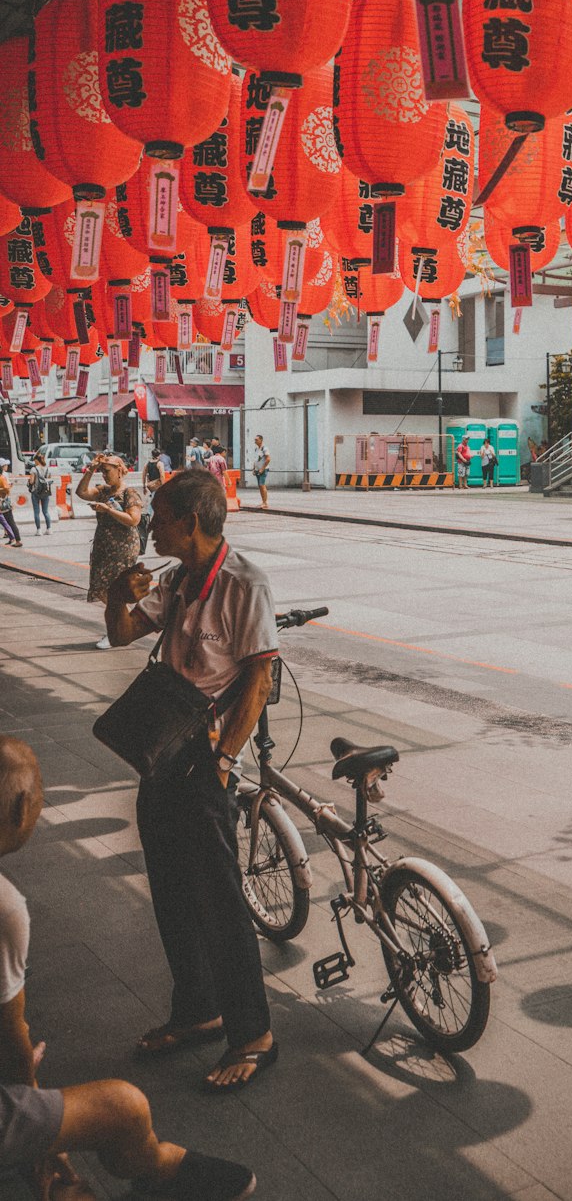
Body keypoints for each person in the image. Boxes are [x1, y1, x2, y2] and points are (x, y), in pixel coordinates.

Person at [0, 736, 256, 1201]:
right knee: (125, 1107)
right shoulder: (4, 906)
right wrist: (33, 1108)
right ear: (21, 811)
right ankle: (135, 1174)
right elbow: (11, 1033)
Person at [105, 469, 278, 1094]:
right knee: (172, 890)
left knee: (221, 901)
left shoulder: (243, 584)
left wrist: (226, 759)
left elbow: (259, 676)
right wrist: (116, 593)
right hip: (163, 758)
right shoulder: (178, 580)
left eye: (159, 513)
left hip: (205, 761)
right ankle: (198, 1010)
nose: (151, 523)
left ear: (192, 521)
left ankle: (254, 1032)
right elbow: (122, 633)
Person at [76, 454, 142, 650]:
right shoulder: (103, 491)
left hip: (123, 547)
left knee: (113, 589)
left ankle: (115, 632)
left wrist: (108, 510)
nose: (104, 475)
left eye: (107, 471)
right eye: (102, 471)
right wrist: (90, 469)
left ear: (119, 470)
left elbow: (133, 520)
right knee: (99, 586)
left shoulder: (129, 493)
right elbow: (81, 492)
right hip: (104, 544)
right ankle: (126, 622)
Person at [26, 454, 52, 537]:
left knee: (36, 512)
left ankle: (39, 530)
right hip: (45, 492)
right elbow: (49, 479)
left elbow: (31, 481)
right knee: (46, 511)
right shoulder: (47, 468)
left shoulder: (34, 469)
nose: (34, 462)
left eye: (35, 460)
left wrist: (29, 482)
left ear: (37, 460)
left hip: (36, 492)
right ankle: (49, 529)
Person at [0, 461, 22, 548]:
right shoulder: (2, 477)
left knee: (10, 522)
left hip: (4, 503)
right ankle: (14, 539)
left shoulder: (1, 478)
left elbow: (6, 489)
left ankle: (17, 540)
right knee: (9, 522)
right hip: (5, 501)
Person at [251, 435, 269, 509]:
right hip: (257, 469)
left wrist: (262, 468)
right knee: (260, 486)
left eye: (257, 440)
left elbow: (268, 459)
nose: (255, 441)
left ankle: (265, 503)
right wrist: (254, 468)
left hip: (263, 469)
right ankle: (263, 502)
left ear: (261, 440)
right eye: (255, 440)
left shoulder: (264, 448)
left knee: (262, 485)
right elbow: (255, 460)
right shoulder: (256, 449)